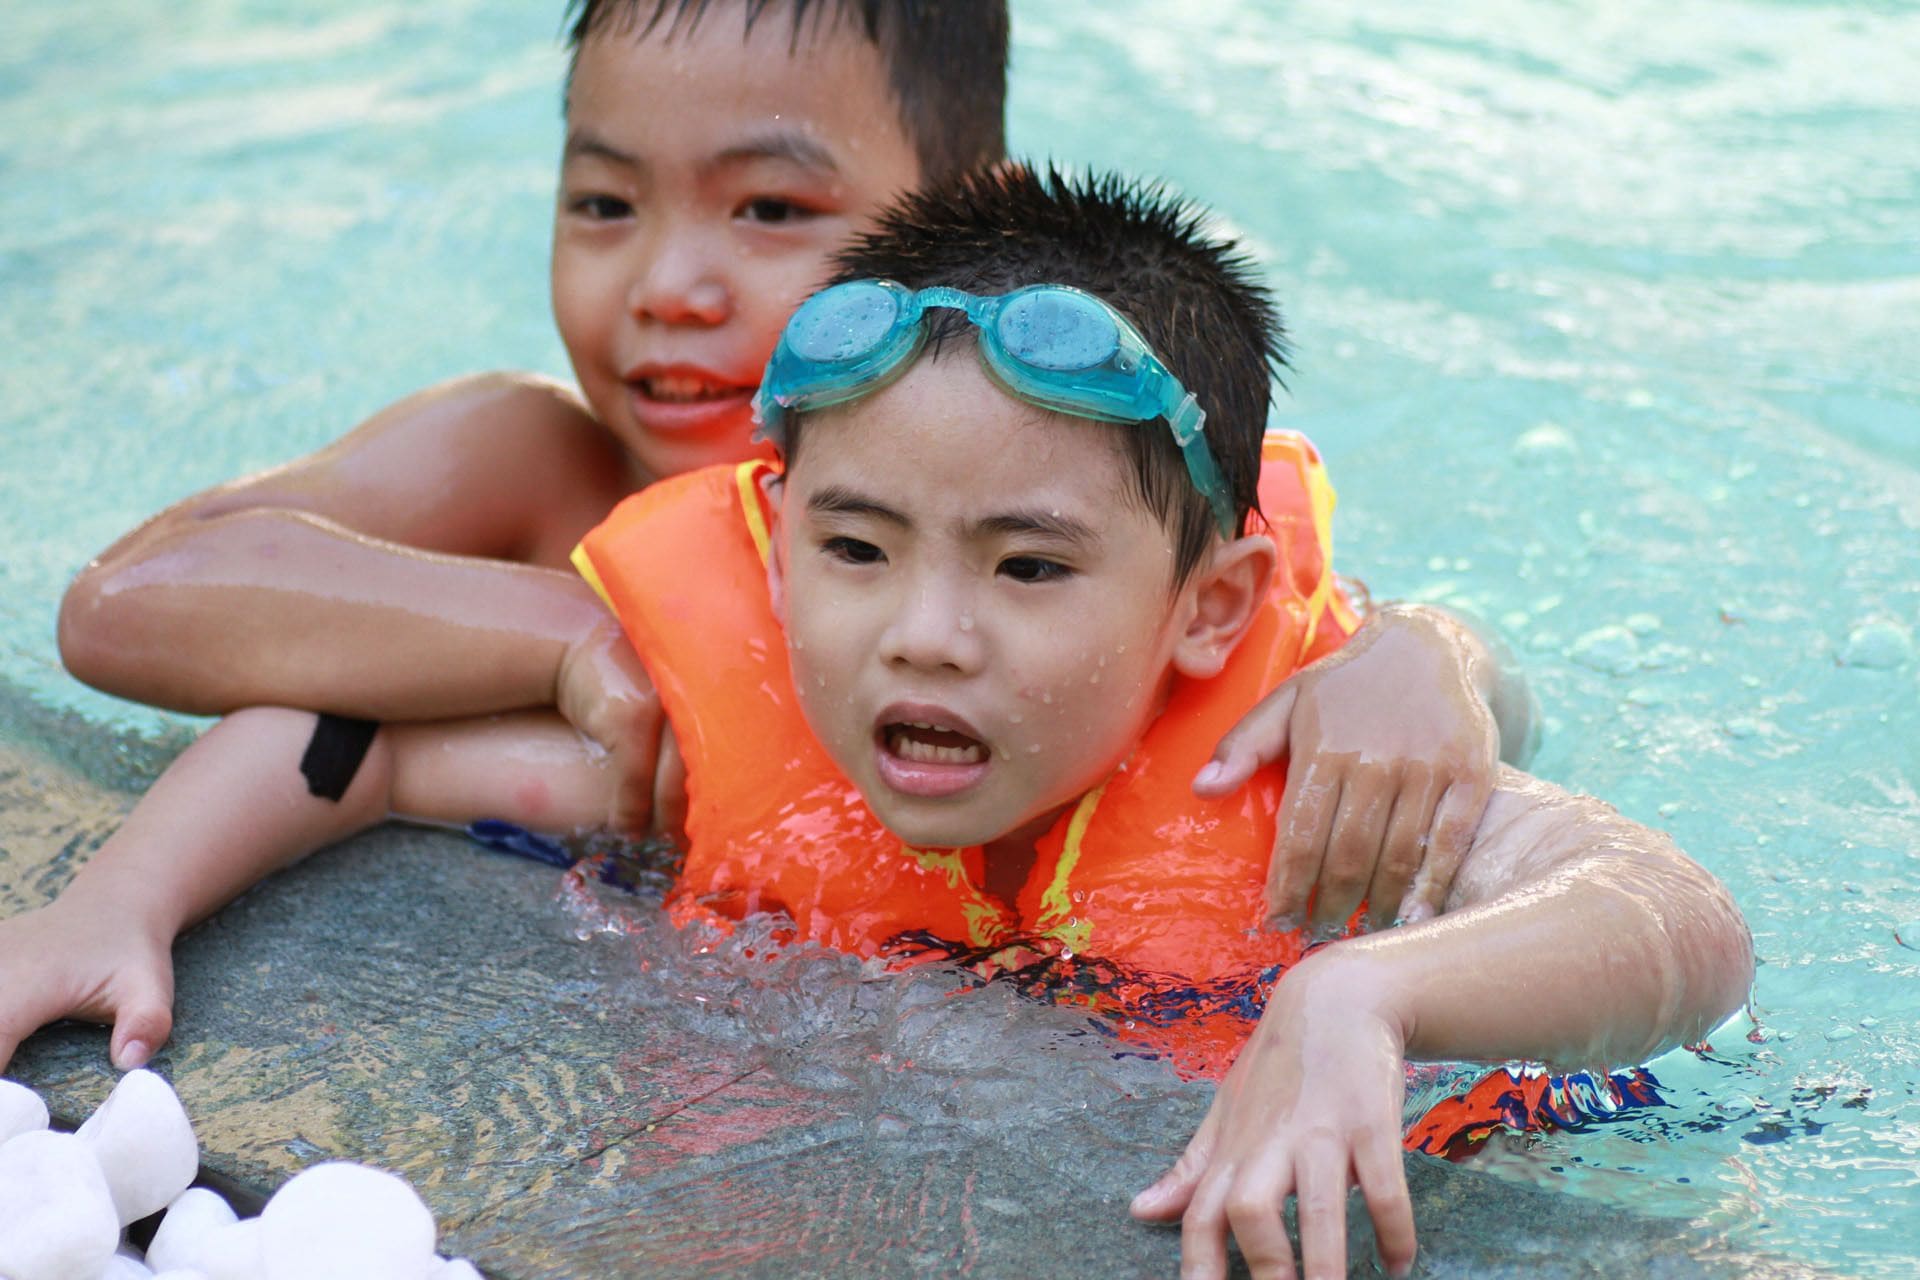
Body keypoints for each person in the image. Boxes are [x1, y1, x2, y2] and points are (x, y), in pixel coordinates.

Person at [2, 166, 1752, 1279]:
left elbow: (1682, 924)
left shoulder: (1295, 769)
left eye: (1030, 567)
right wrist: (119, 902)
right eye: (853, 548)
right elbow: (358, 744)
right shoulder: (741, 746)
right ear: (774, 538)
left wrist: (1367, 989)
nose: (926, 636)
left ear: (1207, 608)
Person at [51, 0, 1536, 963]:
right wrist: (581, 639)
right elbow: (126, 607)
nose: (669, 285)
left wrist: (1435, 659)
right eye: (604, 202)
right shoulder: (528, 457)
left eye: (769, 207)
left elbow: (1274, 650)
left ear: (965, 230)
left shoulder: (1075, 496)